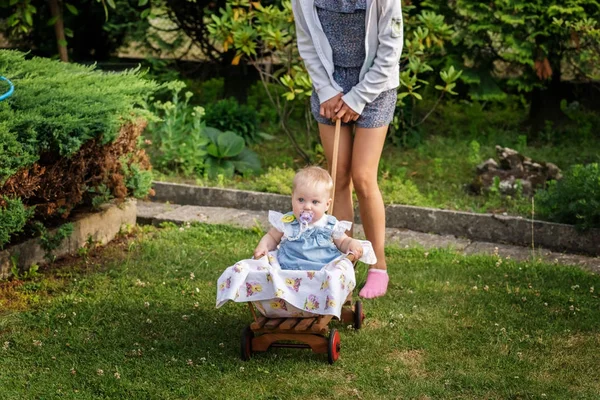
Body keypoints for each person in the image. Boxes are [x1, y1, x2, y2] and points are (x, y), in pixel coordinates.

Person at [291, 0, 403, 298]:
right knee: (337, 176)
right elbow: (307, 43)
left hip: (376, 86)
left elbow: (391, 49)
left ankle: (379, 266)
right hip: (329, 86)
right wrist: (327, 90)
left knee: (363, 177)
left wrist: (358, 98)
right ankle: (344, 261)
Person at [253, 166, 365, 270]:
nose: (307, 206)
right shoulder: (288, 221)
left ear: (327, 204)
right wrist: (264, 245)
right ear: (293, 198)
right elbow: (272, 237)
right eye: (301, 200)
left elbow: (343, 241)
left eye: (315, 202)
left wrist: (351, 244)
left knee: (337, 271)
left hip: (322, 270)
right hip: (289, 268)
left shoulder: (329, 224)